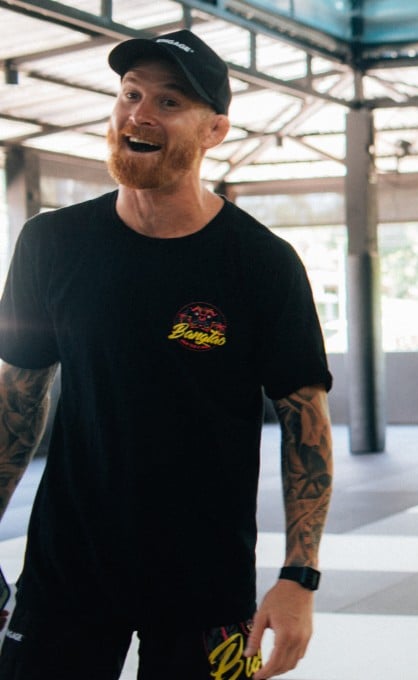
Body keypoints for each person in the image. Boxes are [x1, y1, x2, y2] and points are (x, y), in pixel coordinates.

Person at [0, 30, 333, 680]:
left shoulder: (263, 264)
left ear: (215, 131)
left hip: (208, 586)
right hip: (66, 573)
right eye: (131, 94)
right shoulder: (50, 244)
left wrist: (300, 577)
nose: (140, 114)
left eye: (169, 102)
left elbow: (306, 427)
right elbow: (16, 402)